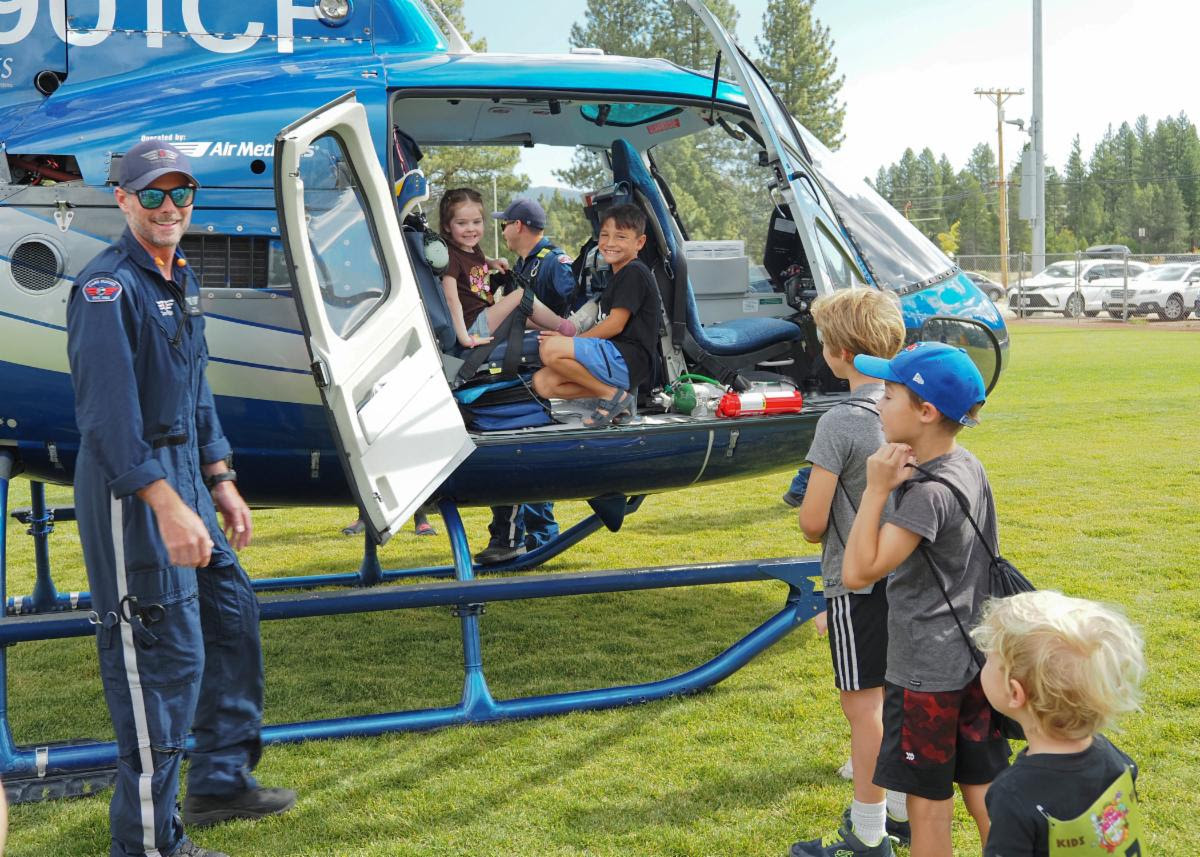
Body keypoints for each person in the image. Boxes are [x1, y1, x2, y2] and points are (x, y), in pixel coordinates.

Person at [66, 140, 295, 857]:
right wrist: (166, 502)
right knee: (156, 668)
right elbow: (107, 420)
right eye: (153, 194)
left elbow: (196, 386)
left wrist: (219, 478)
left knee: (230, 618)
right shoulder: (108, 288)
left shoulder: (179, 275)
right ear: (123, 200)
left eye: (181, 193)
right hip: (133, 485)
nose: (170, 207)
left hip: (186, 476)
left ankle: (220, 776)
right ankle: (147, 845)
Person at [842, 342, 1011, 857]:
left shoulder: (925, 495)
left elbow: (857, 572)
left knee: (926, 805)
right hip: (975, 661)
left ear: (926, 411)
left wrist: (875, 489)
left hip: (924, 674)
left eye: (889, 395)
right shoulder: (966, 465)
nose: (878, 404)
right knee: (985, 791)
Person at [789, 289, 909, 857]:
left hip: (856, 582)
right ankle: (906, 808)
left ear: (838, 353)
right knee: (901, 693)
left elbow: (813, 521)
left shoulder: (840, 421)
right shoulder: (912, 409)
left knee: (864, 709)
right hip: (909, 579)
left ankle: (868, 832)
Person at [973, 591, 1145, 857]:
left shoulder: (1014, 794)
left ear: (1015, 693)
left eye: (990, 658)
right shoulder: (1115, 760)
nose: (984, 660)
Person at [473, 198, 579, 564]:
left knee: (526, 450)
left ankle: (533, 537)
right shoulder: (523, 266)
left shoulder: (554, 264)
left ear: (518, 226)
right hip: (522, 367)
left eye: (505, 224)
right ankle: (527, 536)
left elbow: (570, 316)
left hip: (541, 371)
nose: (501, 230)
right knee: (519, 448)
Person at [531, 204, 659, 428]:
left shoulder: (634, 273)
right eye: (604, 235)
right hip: (612, 357)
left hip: (628, 358)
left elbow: (615, 325)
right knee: (542, 383)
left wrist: (570, 343)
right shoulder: (616, 276)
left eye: (621, 237)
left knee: (550, 349)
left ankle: (611, 397)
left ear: (639, 242)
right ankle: (615, 396)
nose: (610, 243)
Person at [438, 187, 576, 351]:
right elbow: (451, 300)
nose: (470, 229)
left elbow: (474, 261)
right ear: (447, 226)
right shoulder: (450, 257)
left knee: (523, 313)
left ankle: (563, 333)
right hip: (473, 325)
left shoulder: (472, 248)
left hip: (484, 316)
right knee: (520, 296)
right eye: (462, 223)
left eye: (476, 222)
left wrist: (492, 262)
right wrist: (465, 338)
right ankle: (569, 328)